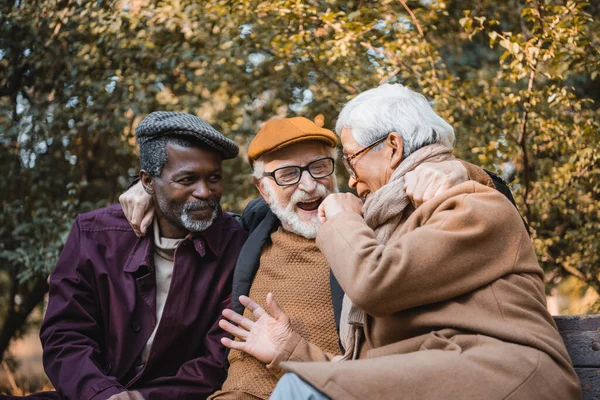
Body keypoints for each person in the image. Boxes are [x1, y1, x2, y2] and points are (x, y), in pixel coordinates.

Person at [218, 84, 582, 400]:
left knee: (296, 393)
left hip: (503, 375)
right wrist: (289, 350)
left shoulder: (470, 203)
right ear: (263, 188)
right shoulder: (379, 225)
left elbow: (373, 283)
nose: (350, 181)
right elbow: (365, 365)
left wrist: (344, 218)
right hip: (439, 373)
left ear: (392, 146)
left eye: (347, 160)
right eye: (287, 174)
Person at [121, 116, 513, 399]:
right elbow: (188, 200)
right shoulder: (249, 231)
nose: (309, 185)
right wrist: (147, 193)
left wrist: (459, 170)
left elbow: (485, 205)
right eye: (288, 174)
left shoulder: (372, 230)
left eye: (320, 167)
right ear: (263, 188)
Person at [39, 112, 247, 400]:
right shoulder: (94, 234)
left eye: (214, 178)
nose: (204, 192)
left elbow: (216, 359)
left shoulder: (235, 244)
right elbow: (65, 336)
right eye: (187, 179)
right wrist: (104, 395)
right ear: (147, 183)